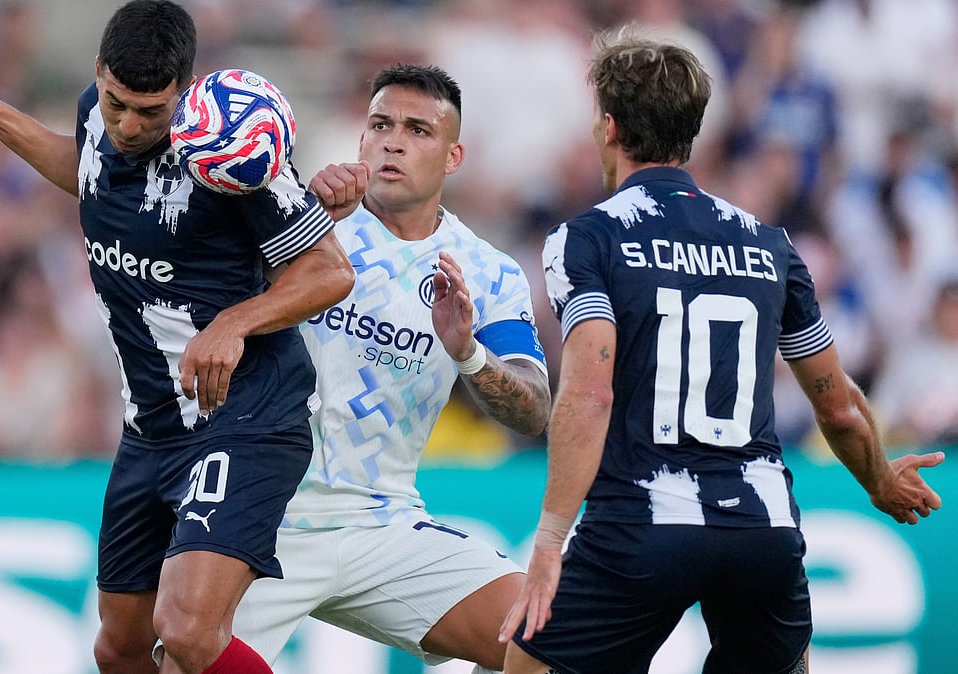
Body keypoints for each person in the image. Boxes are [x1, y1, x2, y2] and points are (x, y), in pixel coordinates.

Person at [0, 2, 355, 673]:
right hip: (149, 424)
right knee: (118, 648)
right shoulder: (98, 113)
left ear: (182, 90)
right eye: (118, 104)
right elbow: (86, 175)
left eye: (151, 113)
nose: (128, 125)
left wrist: (234, 322)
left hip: (243, 417)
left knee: (185, 630)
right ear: (99, 74)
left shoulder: (225, 152)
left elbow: (328, 271)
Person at [498, 29, 945, 674]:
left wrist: (548, 540)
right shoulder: (770, 244)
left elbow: (592, 393)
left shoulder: (585, 239)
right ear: (693, 133)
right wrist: (879, 479)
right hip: (760, 529)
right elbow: (839, 405)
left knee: (530, 666)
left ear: (609, 126)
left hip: (640, 522)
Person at [224, 64, 551, 673]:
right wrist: (303, 216)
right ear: (361, 139)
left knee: (544, 642)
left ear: (454, 156)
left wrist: (468, 353)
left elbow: (534, 410)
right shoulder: (304, 223)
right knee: (176, 656)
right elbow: (216, 316)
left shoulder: (486, 271)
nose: (394, 141)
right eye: (381, 124)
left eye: (418, 130)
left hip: (382, 520)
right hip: (268, 515)